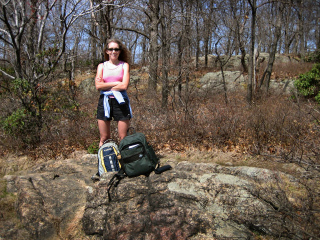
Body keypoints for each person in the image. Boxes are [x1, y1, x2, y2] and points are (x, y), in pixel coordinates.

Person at [95, 38, 132, 147]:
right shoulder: (101, 66)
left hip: (121, 101)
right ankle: (103, 162)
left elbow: (124, 85)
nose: (113, 52)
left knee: (123, 137)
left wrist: (105, 85)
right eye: (110, 49)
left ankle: (124, 162)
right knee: (104, 138)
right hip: (104, 102)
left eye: (116, 49)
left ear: (120, 51)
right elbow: (98, 86)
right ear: (106, 51)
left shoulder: (124, 66)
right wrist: (116, 83)